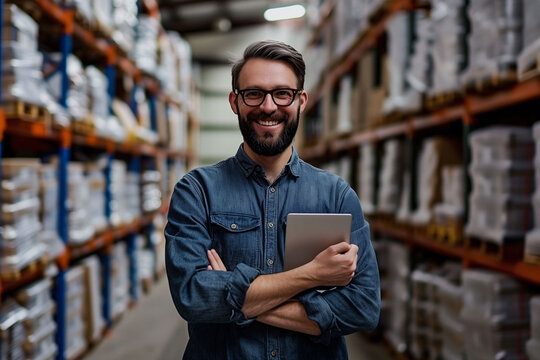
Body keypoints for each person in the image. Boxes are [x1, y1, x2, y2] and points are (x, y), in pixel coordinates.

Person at [165, 40, 380, 359]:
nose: (268, 106)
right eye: (253, 93)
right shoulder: (197, 191)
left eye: (282, 93)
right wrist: (314, 275)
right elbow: (193, 297)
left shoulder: (336, 195)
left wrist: (232, 292)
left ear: (301, 101)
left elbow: (362, 308)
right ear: (234, 102)